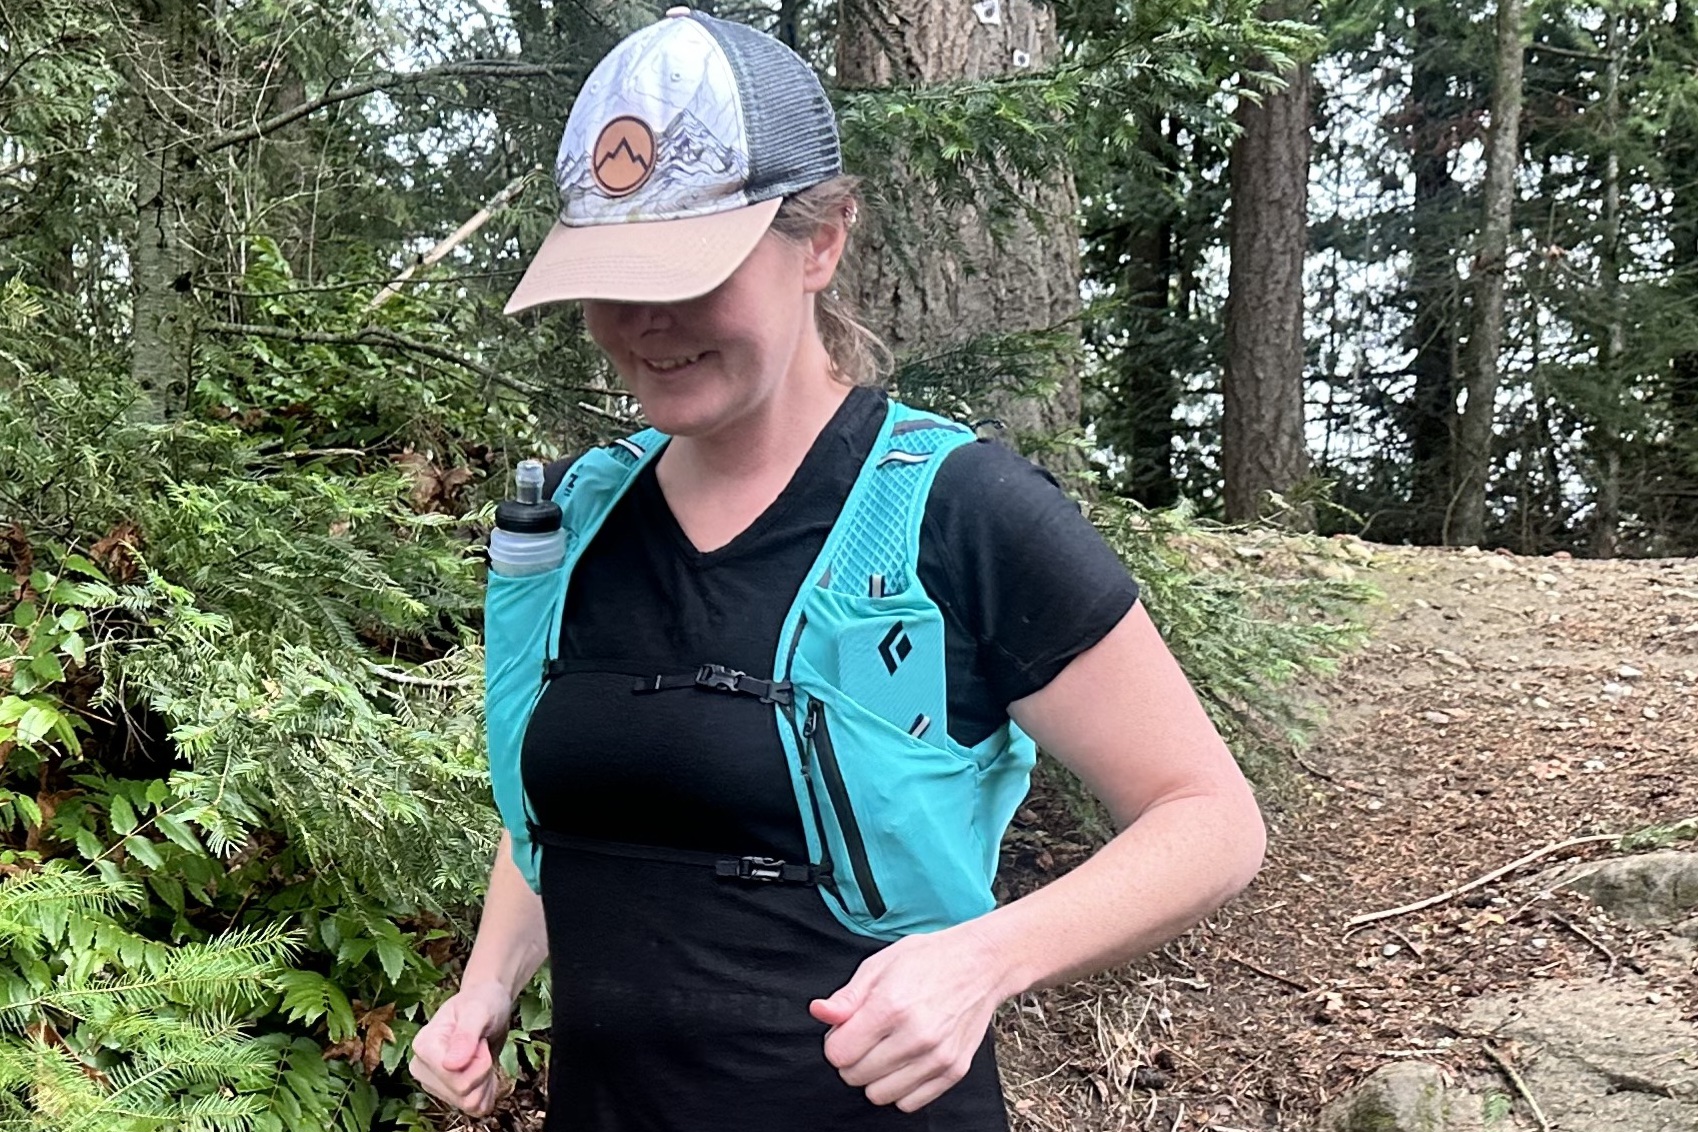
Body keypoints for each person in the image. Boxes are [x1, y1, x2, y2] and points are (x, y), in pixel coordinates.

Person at [409, 9, 1265, 1130]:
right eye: (612, 281)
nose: (643, 325)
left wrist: (982, 961)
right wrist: (487, 985)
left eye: (689, 275)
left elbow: (1209, 817)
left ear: (822, 241)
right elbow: (557, 817)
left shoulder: (962, 515)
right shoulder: (575, 520)